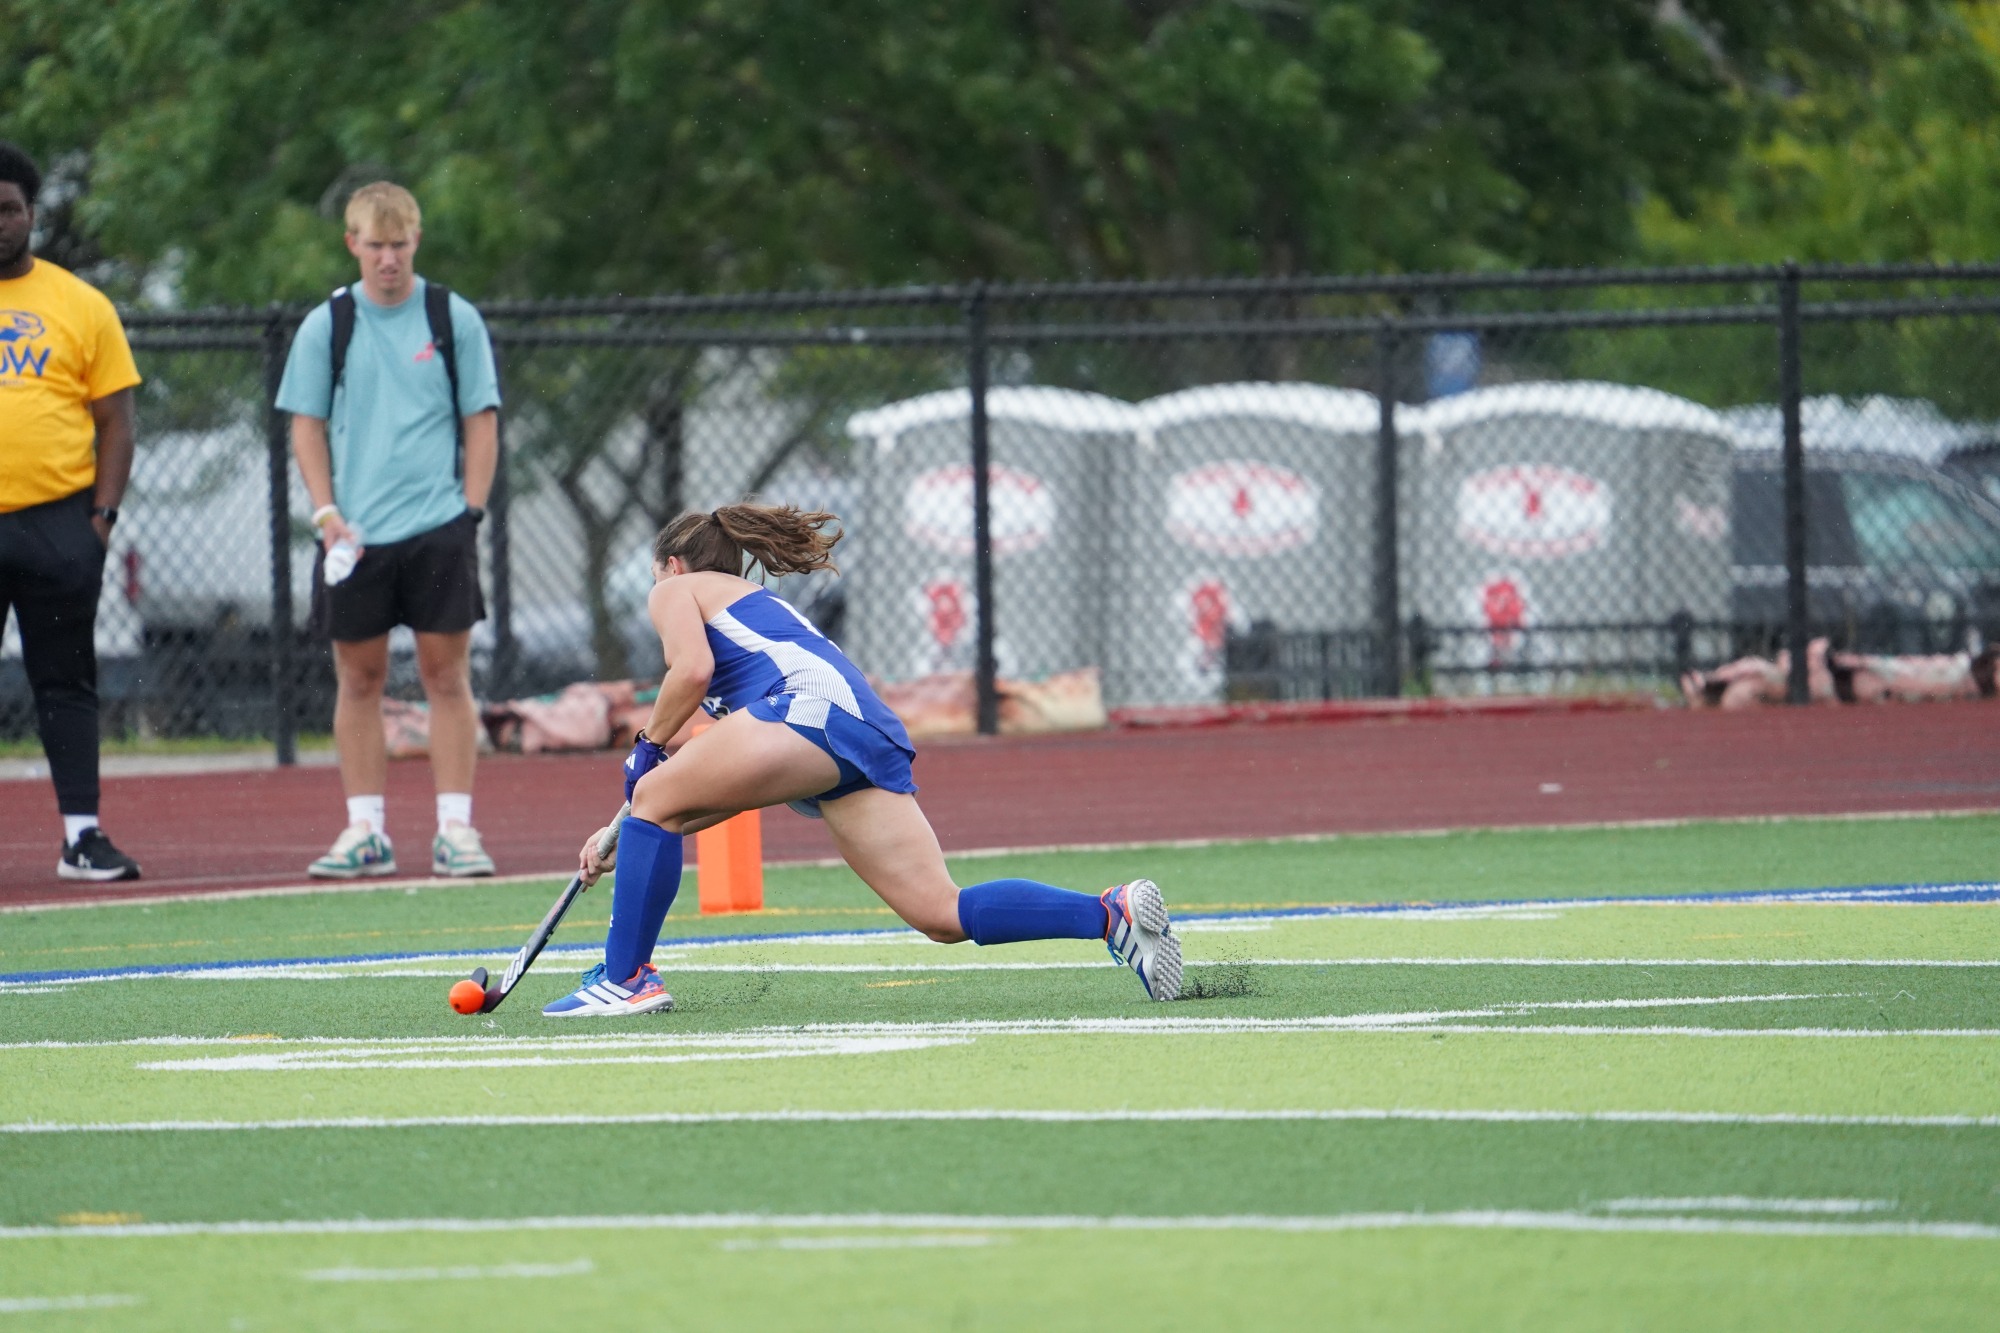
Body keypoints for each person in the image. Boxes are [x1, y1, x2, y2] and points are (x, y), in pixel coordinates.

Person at [544, 504, 1181, 1017]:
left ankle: (626, 979)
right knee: (940, 913)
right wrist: (625, 829)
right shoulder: (751, 614)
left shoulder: (678, 589)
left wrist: (646, 751)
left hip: (808, 714)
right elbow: (710, 792)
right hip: (858, 731)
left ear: (672, 564)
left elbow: (690, 670)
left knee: (655, 799)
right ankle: (1107, 914)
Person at [276, 182, 502, 879]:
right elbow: (305, 424)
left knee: (446, 674)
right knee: (359, 678)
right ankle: (364, 829)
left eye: (398, 245)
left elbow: (481, 419)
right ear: (353, 244)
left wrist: (468, 512)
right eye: (374, 246)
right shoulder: (329, 323)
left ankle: (457, 830)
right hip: (354, 536)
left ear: (416, 242)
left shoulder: (450, 315)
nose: (387, 260)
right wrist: (325, 511)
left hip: (439, 526)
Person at [0, 140, 143, 882]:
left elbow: (116, 418)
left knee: (66, 680)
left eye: (9, 209)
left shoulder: (79, 303)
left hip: (59, 522)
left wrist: (101, 519)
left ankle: (81, 837)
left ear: (31, 214)